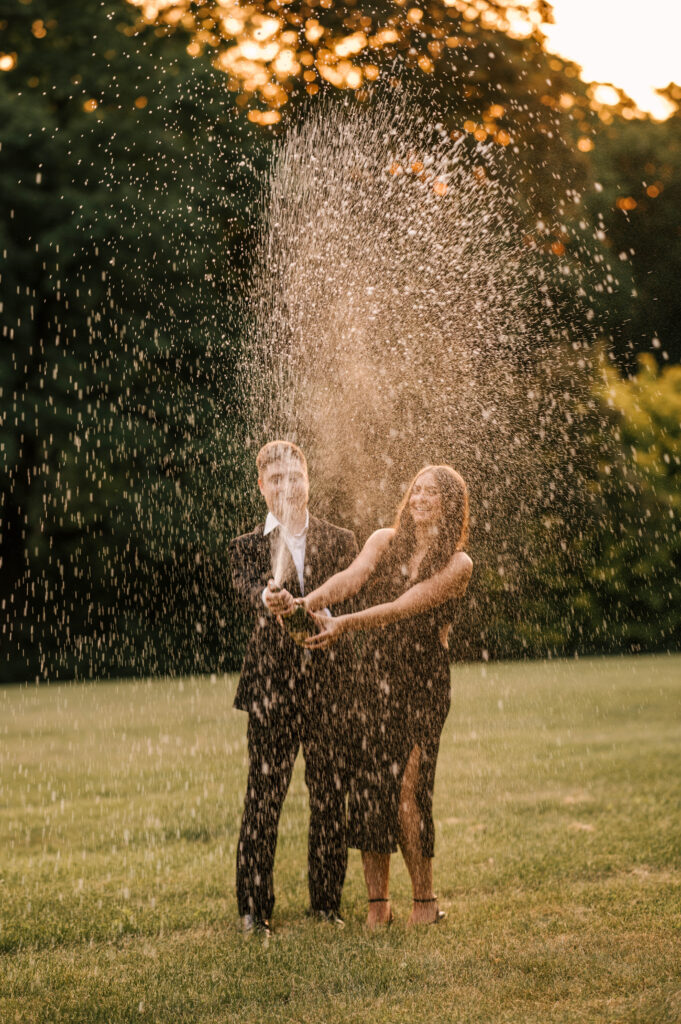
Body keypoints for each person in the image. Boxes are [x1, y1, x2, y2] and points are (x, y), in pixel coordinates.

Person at [300, 465, 473, 928]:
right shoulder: (382, 539)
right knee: (370, 788)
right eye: (415, 489)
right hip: (372, 678)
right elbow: (351, 579)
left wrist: (343, 624)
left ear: (450, 503)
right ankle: (378, 906)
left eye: (431, 492)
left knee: (408, 792)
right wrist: (307, 603)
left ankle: (424, 901)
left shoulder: (458, 564)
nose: (419, 498)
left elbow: (401, 609)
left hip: (422, 686)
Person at [229, 440, 358, 937]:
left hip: (329, 687)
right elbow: (248, 593)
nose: (287, 486)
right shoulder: (244, 547)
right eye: (275, 479)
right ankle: (253, 909)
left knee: (330, 795)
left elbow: (355, 598)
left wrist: (330, 614)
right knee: (263, 798)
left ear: (309, 478)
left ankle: (326, 904)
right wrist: (267, 598)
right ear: (262, 487)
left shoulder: (343, 539)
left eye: (294, 476)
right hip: (270, 690)